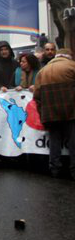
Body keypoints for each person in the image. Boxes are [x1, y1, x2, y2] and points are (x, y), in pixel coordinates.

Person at [33, 48, 75, 179]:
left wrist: (42, 114)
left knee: (54, 142)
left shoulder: (42, 71)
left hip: (50, 112)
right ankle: (74, 171)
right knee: (73, 142)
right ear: (69, 56)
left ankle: (55, 169)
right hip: (71, 111)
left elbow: (37, 96)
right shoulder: (72, 66)